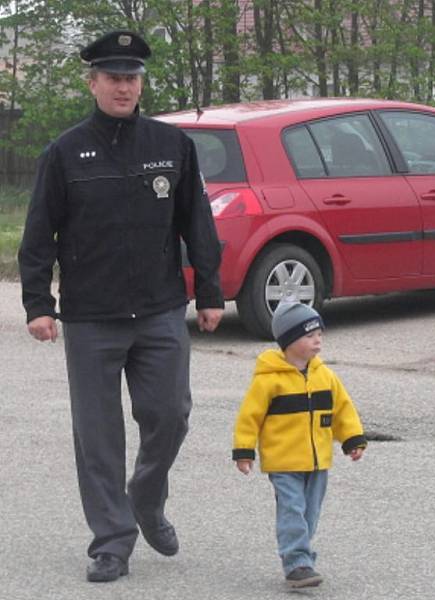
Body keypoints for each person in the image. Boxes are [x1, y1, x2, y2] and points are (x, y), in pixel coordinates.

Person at [17, 30, 224, 583]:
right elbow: (39, 234)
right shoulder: (64, 152)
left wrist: (209, 291)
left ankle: (147, 497)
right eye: (113, 77)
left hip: (159, 309)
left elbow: (196, 223)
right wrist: (39, 303)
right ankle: (111, 540)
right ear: (93, 82)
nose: (123, 86)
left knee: (170, 415)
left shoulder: (171, 144)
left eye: (131, 77)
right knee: (98, 434)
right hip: (90, 316)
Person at [232, 302, 367, 589]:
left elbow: (343, 409)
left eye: (319, 333)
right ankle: (297, 563)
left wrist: (352, 439)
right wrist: (244, 450)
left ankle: (301, 555)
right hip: (284, 463)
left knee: (310, 513)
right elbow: (249, 417)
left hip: (318, 461)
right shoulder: (268, 382)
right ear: (289, 341)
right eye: (309, 335)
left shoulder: (325, 376)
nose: (317, 339)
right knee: (292, 510)